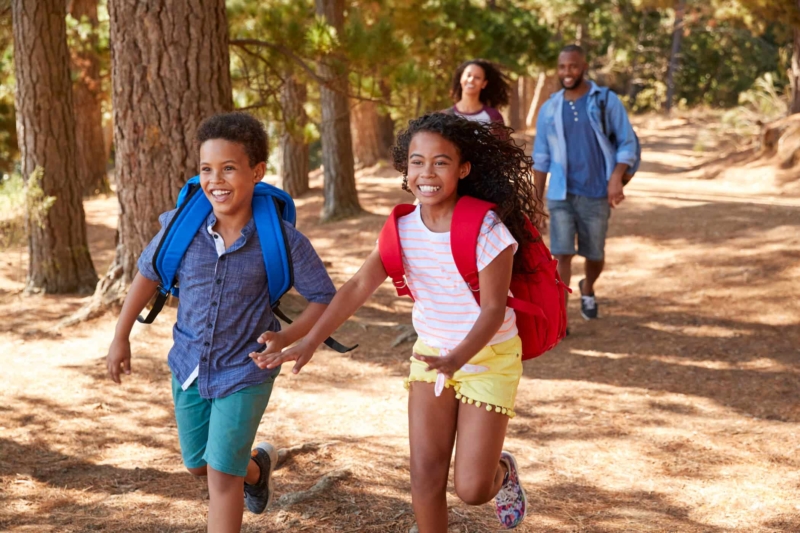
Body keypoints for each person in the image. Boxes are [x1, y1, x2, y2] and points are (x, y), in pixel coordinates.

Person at [252, 113, 546, 531]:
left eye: (441, 162)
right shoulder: (402, 229)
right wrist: (311, 339)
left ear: (462, 169)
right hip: (431, 355)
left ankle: (501, 472)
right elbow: (356, 286)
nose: (427, 172)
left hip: (488, 356)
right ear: (405, 169)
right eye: (417, 161)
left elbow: (494, 310)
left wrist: (459, 358)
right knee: (424, 477)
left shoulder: (486, 228)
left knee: (472, 489)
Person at [105, 112, 336, 533]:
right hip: (188, 366)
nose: (216, 179)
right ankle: (256, 469)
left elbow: (324, 297)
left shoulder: (281, 238)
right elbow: (147, 273)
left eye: (229, 168)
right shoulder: (182, 229)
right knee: (198, 464)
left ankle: (238, 471)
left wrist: (286, 336)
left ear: (257, 172)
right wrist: (121, 336)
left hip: (246, 370)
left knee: (220, 478)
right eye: (206, 169)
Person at [532, 44, 638, 322]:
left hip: (596, 192)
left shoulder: (605, 101)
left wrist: (616, 178)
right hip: (561, 194)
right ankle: (561, 318)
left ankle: (588, 287)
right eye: (562, 67)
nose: (567, 72)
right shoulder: (550, 108)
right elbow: (541, 158)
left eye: (573, 66)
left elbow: (627, 143)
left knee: (594, 254)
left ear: (584, 67)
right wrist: (535, 200)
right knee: (561, 254)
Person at [444, 59, 510, 129]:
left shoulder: (493, 116)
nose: (471, 80)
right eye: (468, 75)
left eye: (477, 77)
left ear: (484, 84)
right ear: (461, 78)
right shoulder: (445, 116)